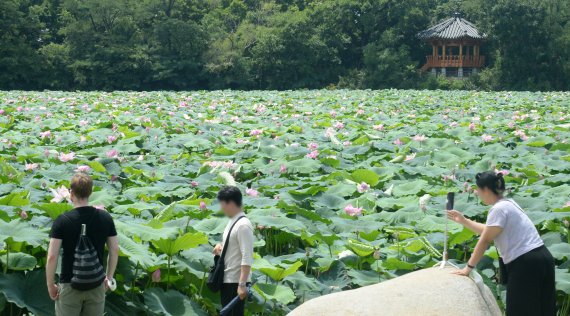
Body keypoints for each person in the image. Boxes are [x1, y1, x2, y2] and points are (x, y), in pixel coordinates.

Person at [448, 171, 555, 316]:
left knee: (520, 311)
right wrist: (464, 221)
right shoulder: (508, 203)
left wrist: (468, 268)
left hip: (525, 263)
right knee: (543, 309)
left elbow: (485, 240)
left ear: (485, 190)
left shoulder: (498, 209)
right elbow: (490, 231)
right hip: (542, 258)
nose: (478, 194)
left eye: (478, 191)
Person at [46, 173, 119, 316]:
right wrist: (109, 278)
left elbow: (52, 256)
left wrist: (50, 285)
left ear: (71, 193)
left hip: (69, 285)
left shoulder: (62, 221)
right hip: (96, 285)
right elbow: (115, 249)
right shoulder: (105, 217)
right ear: (90, 192)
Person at [213, 186, 254, 316]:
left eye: (223, 204)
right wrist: (220, 246)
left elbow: (247, 256)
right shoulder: (233, 222)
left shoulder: (243, 225)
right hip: (227, 279)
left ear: (230, 203)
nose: (222, 208)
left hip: (235, 281)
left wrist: (242, 284)